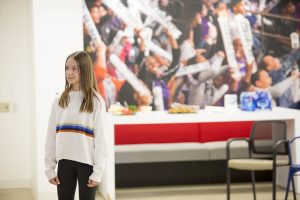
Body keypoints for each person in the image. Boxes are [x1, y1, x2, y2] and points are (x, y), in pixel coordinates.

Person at [45, 51, 108, 200]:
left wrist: (98, 172)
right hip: (64, 163)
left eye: (74, 68)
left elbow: (100, 141)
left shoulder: (96, 101)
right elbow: (51, 137)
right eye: (67, 68)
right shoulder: (59, 100)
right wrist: (49, 168)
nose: (69, 72)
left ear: (84, 70)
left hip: (87, 165)